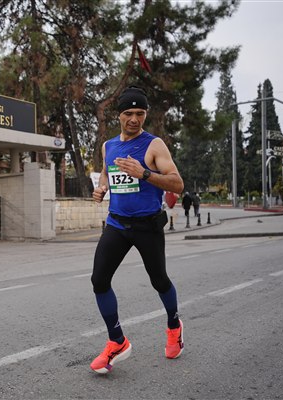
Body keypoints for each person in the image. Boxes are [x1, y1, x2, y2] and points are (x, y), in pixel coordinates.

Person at [90, 86, 185, 374]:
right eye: (129, 113)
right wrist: (101, 188)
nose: (134, 119)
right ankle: (117, 341)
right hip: (117, 223)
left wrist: (143, 172)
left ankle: (174, 326)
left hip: (147, 225)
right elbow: (106, 173)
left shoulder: (154, 145)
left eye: (140, 113)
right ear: (119, 115)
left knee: (159, 280)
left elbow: (177, 184)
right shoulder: (108, 146)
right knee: (99, 280)